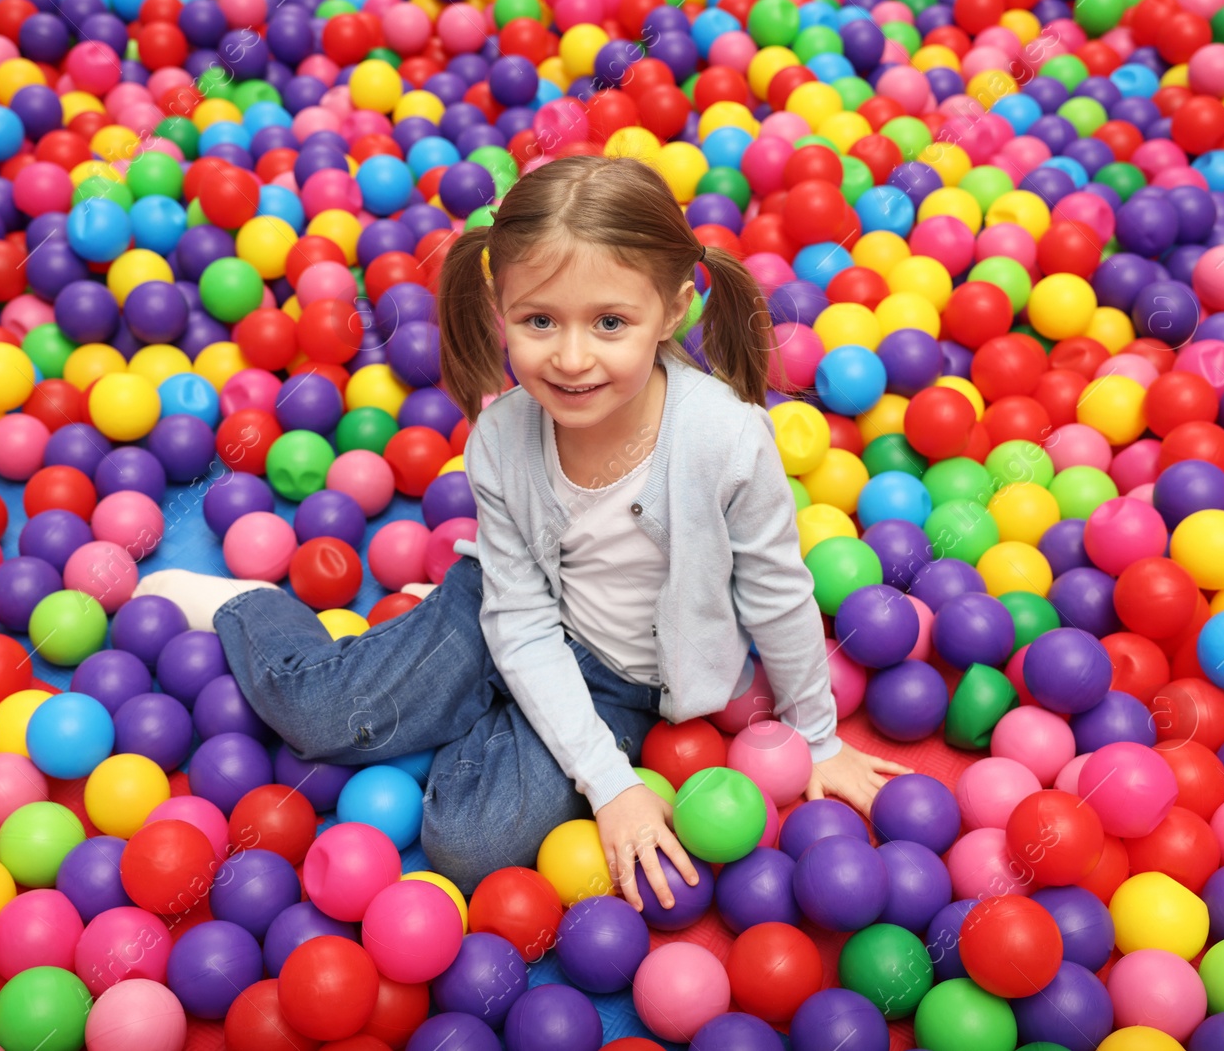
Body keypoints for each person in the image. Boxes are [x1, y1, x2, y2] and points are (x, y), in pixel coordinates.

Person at [135, 155, 910, 906]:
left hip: (626, 678)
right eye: (539, 321)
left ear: (673, 310)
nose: (572, 358)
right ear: (502, 309)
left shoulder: (728, 441)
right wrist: (610, 784)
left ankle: (460, 692)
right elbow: (520, 616)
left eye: (611, 322)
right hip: (503, 612)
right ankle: (249, 607)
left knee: (470, 845)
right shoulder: (501, 440)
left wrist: (816, 735)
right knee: (319, 716)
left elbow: (778, 592)